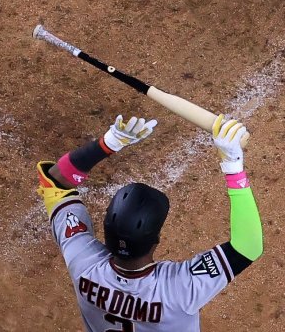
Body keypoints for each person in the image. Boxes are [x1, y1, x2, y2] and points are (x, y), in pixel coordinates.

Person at [37, 114, 263, 331]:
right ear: (156, 241)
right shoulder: (178, 290)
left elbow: (56, 182)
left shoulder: (84, 264)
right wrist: (232, 165)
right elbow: (248, 246)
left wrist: (108, 144)